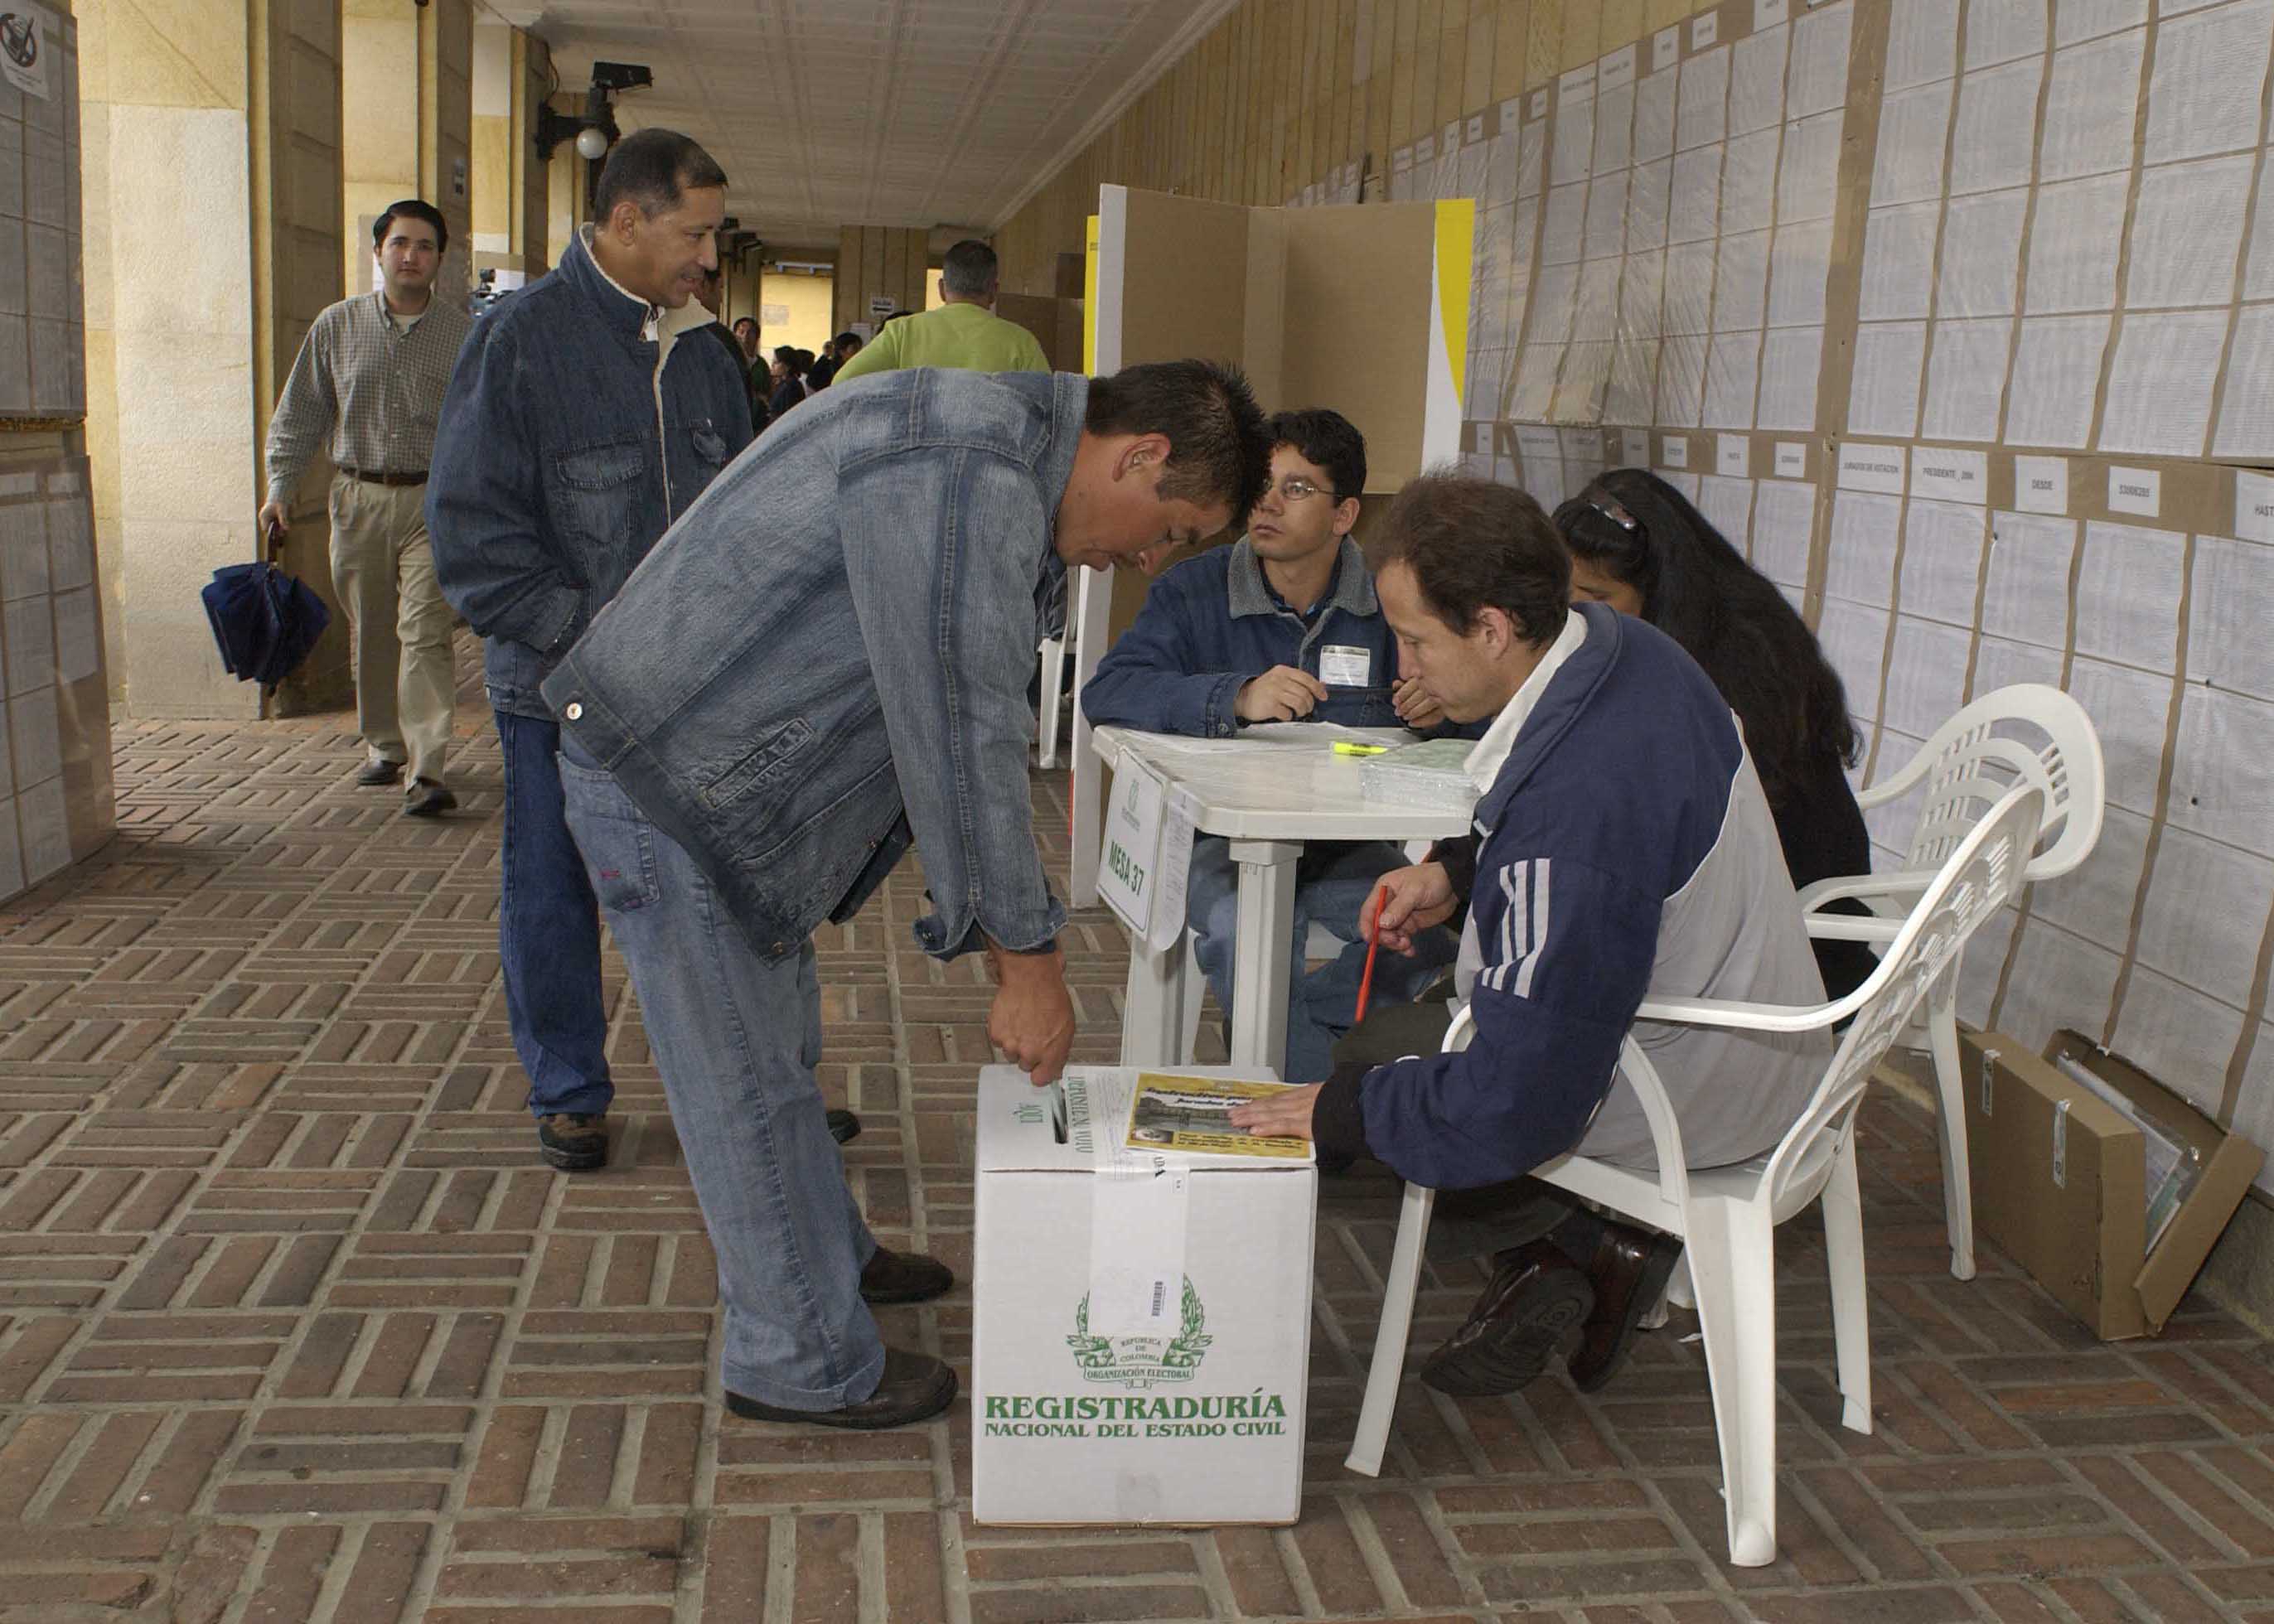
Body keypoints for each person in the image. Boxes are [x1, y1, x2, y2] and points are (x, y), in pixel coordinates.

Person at [539, 360, 1270, 1429]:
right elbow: (960, 716)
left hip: (709, 776)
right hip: (670, 781)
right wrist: (1027, 962)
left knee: (774, 1058)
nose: (1148, 561)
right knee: (740, 1084)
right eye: (1172, 529)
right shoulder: (969, 460)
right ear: (1139, 455)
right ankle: (799, 1359)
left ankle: (821, 1262)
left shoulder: (995, 444)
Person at [1231, 473, 1829, 1402]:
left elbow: (1517, 1102)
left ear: (1494, 628)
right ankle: (1581, 1252)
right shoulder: (1624, 646)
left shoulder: (1572, 823)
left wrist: (1339, 1110)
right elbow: (1621, 844)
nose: (1403, 664)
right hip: (1772, 1033)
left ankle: (1569, 1247)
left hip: (1702, 1093)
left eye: (1417, 638)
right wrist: (1460, 874)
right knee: (1433, 1044)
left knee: (1384, 1054)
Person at [425, 129, 752, 1175]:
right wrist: (598, 637)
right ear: (625, 220)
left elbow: (744, 519)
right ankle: (568, 1088)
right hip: (558, 691)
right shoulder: (520, 340)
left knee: (719, 892)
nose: (709, 256)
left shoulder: (704, 353)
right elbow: (474, 538)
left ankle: (747, 1082)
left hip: (691, 693)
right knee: (554, 887)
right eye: (693, 233)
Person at [1081, 408, 1464, 1082]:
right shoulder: (1193, 590)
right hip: (1221, 848)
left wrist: (1437, 710)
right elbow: (1109, 691)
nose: (1267, 503)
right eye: (1262, 484)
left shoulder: (1387, 600)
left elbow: (1473, 724)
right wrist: (1234, 696)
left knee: (1433, 938)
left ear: (1344, 514)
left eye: (1296, 488)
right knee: (1244, 936)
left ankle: (1293, 1052)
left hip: (1346, 847)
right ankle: (1316, 1113)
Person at [1554, 470, 1875, 999]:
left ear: (1659, 590)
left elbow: (1660, 813)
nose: (1576, 614)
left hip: (1797, 937)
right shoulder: (1713, 623)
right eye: (1564, 594)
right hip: (1778, 904)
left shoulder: (1729, 664)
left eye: (1596, 595)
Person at [260, 198, 469, 818]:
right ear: (378, 251)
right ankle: (385, 743)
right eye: (400, 243)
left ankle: (429, 766)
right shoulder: (337, 326)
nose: (411, 256)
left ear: (439, 259)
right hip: (355, 498)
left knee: (425, 631)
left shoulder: (462, 334)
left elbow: (478, 424)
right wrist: (279, 489)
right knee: (373, 628)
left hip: (432, 501)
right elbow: (301, 413)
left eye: (425, 246)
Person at [832, 239, 1048, 380]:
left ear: (942, 289)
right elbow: (1048, 409)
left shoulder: (902, 333)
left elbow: (843, 382)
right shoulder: (1021, 342)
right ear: (994, 291)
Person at [766, 347, 806, 422]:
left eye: (776, 362)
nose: (772, 365)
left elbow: (788, 417)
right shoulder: (785, 384)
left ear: (788, 366)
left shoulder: (791, 387)